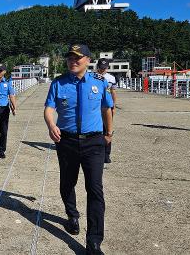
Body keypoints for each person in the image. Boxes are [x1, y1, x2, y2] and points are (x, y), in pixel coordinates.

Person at [44, 44, 114, 255]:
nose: (72, 61)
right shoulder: (59, 83)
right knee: (67, 183)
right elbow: (49, 107)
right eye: (69, 58)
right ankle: (72, 215)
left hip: (94, 142)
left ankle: (94, 241)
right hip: (66, 141)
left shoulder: (99, 83)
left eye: (77, 58)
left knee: (94, 189)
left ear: (88, 60)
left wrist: (109, 133)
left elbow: (106, 108)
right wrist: (51, 125)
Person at [96, 58, 117, 163]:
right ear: (97, 67)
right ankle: (97, 151)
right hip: (95, 107)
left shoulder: (111, 78)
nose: (102, 70)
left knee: (108, 130)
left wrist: (114, 106)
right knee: (97, 130)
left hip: (107, 106)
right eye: (101, 68)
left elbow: (113, 92)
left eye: (104, 68)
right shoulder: (92, 77)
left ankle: (106, 154)